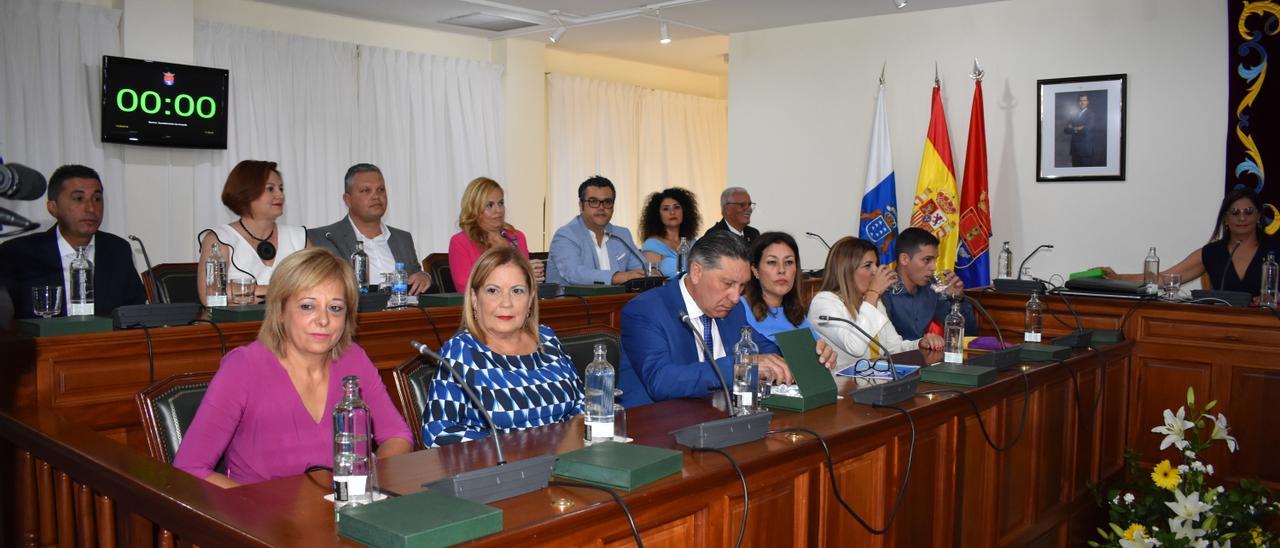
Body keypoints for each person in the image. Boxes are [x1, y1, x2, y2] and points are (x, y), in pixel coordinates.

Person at [173, 248, 412, 487]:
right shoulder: (244, 367)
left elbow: (397, 437)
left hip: (341, 511)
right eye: (308, 306)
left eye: (335, 308)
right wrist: (254, 509)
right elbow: (190, 468)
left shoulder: (354, 360)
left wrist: (365, 484)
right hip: (258, 517)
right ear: (279, 311)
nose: (323, 320)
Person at [617, 231, 836, 408]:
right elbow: (661, 381)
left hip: (719, 419)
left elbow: (766, 349)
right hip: (657, 430)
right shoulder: (645, 310)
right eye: (727, 284)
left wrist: (810, 355)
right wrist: (740, 367)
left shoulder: (732, 309)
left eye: (742, 286)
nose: (735, 297)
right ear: (696, 272)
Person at [422, 246, 584, 447]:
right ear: (474, 298)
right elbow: (437, 432)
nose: (506, 303)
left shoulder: (547, 338)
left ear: (531, 298)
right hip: (502, 471)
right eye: (493, 291)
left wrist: (577, 432)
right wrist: (511, 447)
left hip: (566, 465)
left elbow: (580, 403)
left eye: (517, 291)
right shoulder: (461, 351)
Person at [0, 164, 145, 319]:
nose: (91, 208)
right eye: (78, 198)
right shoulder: (19, 253)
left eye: (97, 198)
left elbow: (135, 312)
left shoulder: (117, 250)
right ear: (53, 208)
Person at [1099, 188, 1280, 297]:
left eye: (1248, 212)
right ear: (1225, 218)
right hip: (1221, 328)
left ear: (1258, 217)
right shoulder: (1212, 252)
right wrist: (1118, 278)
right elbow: (1165, 279)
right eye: (1234, 212)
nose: (1242, 218)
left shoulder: (1274, 250)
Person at [808, 237, 942, 367]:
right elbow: (855, 347)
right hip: (843, 384)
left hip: (873, 379)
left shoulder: (873, 303)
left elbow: (894, 348)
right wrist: (873, 294)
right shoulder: (823, 302)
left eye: (876, 264)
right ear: (846, 271)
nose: (875, 271)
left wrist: (919, 343)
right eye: (868, 266)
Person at [308, 163, 431, 294]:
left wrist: (424, 276)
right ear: (347, 200)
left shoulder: (402, 238)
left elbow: (416, 273)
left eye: (381, 190)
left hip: (402, 312)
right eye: (366, 190)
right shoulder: (323, 239)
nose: (376, 196)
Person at [197, 160, 308, 304]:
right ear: (247, 192)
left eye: (281, 188)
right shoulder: (219, 239)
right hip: (238, 326)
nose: (280, 195)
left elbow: (318, 285)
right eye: (270, 189)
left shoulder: (298, 237)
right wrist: (280, 290)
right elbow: (210, 296)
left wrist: (240, 291)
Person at [547, 176, 649, 285]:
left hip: (619, 300)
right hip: (573, 301)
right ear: (581, 206)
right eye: (593, 201)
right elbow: (574, 273)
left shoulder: (622, 235)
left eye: (607, 202)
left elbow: (642, 268)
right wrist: (617, 277)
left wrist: (652, 273)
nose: (601, 207)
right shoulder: (566, 236)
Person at [447, 177, 543, 292]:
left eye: (500, 203)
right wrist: (522, 273)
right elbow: (465, 287)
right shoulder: (460, 242)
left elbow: (524, 286)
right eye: (490, 205)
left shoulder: (517, 237)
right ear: (474, 209)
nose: (498, 210)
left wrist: (532, 276)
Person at [881, 227, 977, 341]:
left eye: (935, 260)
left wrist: (956, 299)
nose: (934, 267)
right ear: (904, 259)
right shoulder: (884, 291)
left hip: (923, 356)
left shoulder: (932, 288)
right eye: (927, 260)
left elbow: (967, 334)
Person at [741, 232, 817, 342]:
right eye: (772, 262)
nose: (781, 270)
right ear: (755, 270)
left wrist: (825, 352)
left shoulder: (797, 314)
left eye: (788, 262)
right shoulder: (739, 309)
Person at [640, 187, 701, 279]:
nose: (672, 212)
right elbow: (653, 281)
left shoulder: (693, 243)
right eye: (666, 209)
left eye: (677, 207)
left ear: (684, 211)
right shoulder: (652, 244)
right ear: (657, 215)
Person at [1064, 94, 1098, 167]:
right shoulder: (1074, 114)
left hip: (1085, 151)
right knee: (1074, 175)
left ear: (1087, 102)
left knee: (1085, 174)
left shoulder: (1091, 114)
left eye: (1084, 100)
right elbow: (1066, 130)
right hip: (1074, 150)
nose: (1082, 103)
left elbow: (1087, 129)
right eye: (1080, 101)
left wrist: (1072, 128)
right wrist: (1078, 128)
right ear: (1077, 102)